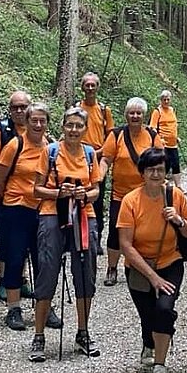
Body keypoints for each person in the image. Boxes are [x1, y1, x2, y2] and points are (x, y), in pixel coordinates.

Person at [117, 147, 187, 373]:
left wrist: (178, 220)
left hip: (170, 261)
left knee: (163, 309)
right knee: (147, 314)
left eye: (160, 170)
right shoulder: (130, 201)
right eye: (151, 169)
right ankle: (148, 342)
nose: (155, 174)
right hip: (139, 266)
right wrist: (152, 277)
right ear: (142, 172)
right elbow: (125, 245)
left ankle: (160, 366)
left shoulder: (175, 196)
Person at [29, 106, 101, 362]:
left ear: (85, 129)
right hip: (52, 214)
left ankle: (83, 332)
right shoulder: (50, 152)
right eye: (69, 125)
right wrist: (59, 193)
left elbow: (96, 190)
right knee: (48, 270)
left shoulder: (90, 154)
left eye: (78, 126)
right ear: (62, 127)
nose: (73, 130)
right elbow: (37, 189)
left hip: (84, 215)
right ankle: (39, 335)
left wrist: (84, 195)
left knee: (85, 272)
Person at [0, 102, 61, 332]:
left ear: (47, 123)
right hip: (17, 208)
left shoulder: (51, 146)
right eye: (34, 120)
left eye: (42, 121)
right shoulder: (15, 144)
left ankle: (44, 307)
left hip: (43, 209)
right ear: (27, 122)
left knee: (44, 260)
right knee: (15, 258)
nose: (38, 125)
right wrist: (9, 198)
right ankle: (14, 309)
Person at [100, 97, 164, 286]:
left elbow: (161, 161)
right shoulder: (116, 134)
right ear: (126, 115)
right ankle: (112, 268)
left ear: (144, 115)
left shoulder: (152, 135)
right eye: (131, 113)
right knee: (115, 231)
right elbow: (106, 159)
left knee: (144, 231)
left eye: (139, 113)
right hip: (120, 195)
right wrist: (99, 176)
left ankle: (143, 268)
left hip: (146, 194)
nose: (135, 116)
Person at [0, 90, 32, 299]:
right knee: (5, 239)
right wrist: (4, 184)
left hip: (30, 198)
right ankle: (4, 280)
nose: (19, 111)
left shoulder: (35, 129)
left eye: (23, 107)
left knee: (25, 240)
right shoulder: (1, 131)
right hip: (5, 196)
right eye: (15, 107)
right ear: (10, 110)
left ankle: (20, 279)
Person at [76, 72, 114, 253]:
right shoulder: (77, 108)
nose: (90, 88)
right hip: (77, 158)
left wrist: (98, 153)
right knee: (77, 196)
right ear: (82, 87)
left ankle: (95, 238)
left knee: (97, 198)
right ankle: (75, 236)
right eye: (87, 85)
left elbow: (111, 136)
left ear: (98, 87)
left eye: (93, 85)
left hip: (98, 159)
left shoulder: (104, 110)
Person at [150, 90, 182, 188]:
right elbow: (152, 128)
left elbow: (174, 125)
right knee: (164, 165)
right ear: (161, 100)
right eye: (164, 100)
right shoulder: (157, 111)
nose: (166, 101)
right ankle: (161, 185)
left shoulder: (172, 110)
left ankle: (178, 186)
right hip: (162, 144)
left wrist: (176, 137)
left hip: (173, 143)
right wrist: (158, 139)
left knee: (176, 164)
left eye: (168, 99)